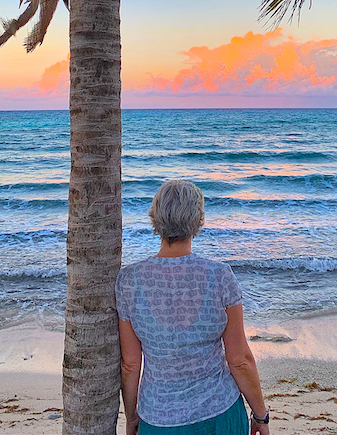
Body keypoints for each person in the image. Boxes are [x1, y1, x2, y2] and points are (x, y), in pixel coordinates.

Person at [115, 179, 270, 435]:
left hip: (158, 418)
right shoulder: (220, 276)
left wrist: (132, 417)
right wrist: (260, 416)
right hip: (218, 413)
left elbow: (131, 364)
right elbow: (239, 359)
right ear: (199, 220)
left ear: (154, 218)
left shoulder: (129, 280)